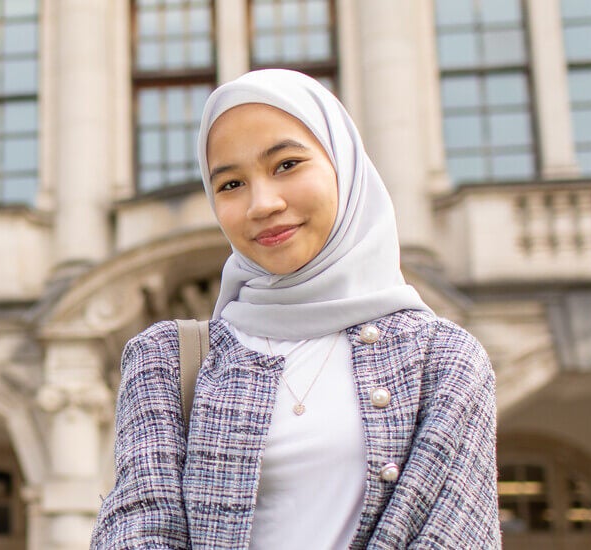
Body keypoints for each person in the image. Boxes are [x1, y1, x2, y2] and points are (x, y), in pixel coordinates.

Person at [90, 69, 499, 549]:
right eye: (230, 185)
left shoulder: (444, 360)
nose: (261, 203)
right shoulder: (166, 359)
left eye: (286, 165)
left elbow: (454, 537)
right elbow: (138, 534)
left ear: (343, 165)